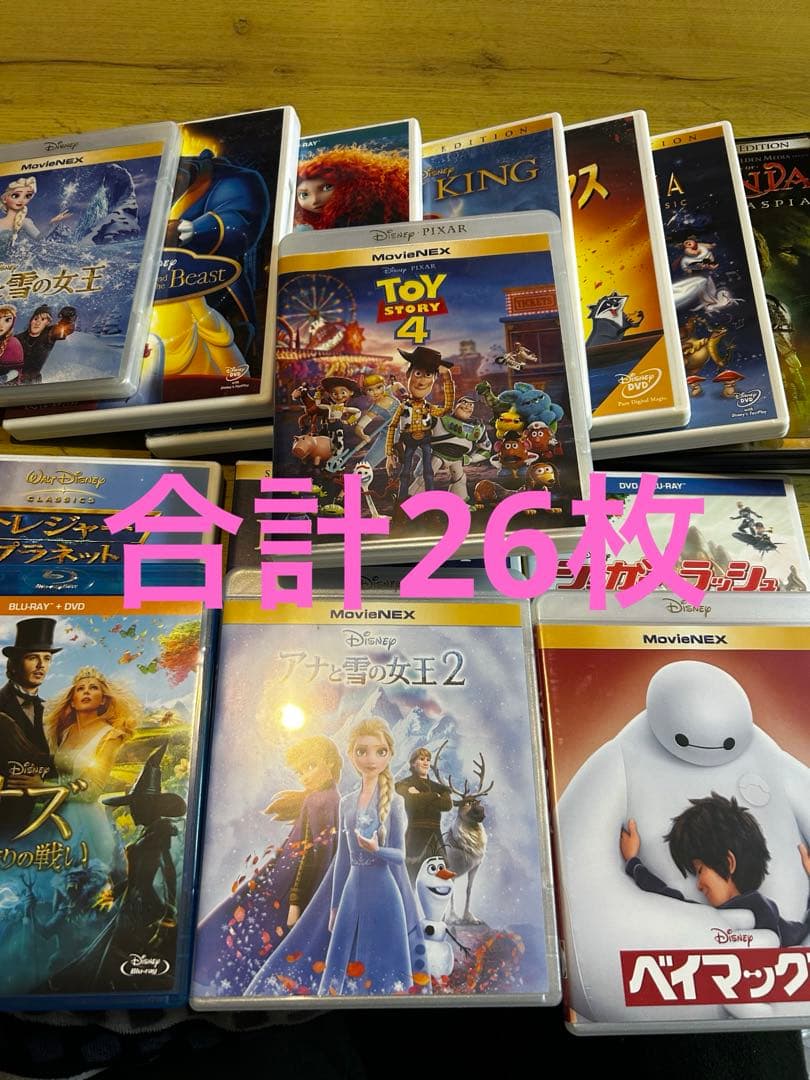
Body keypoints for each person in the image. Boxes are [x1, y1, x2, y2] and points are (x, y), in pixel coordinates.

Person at [245, 718, 429, 998]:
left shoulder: (395, 802)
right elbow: (342, 857)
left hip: (385, 891)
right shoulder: (346, 802)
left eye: (379, 751)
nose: (370, 759)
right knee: (340, 963)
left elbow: (399, 856)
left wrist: (376, 849)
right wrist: (333, 907)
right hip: (351, 891)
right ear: (351, 755)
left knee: (385, 963)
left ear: (389, 754)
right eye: (362, 751)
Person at [194, 734, 341, 995]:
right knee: (262, 934)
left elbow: (314, 855)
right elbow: (312, 853)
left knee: (253, 931)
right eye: (300, 771)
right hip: (290, 881)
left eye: (311, 766)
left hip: (290, 884)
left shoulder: (323, 800)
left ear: (329, 762)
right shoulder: (326, 799)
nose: (305, 776)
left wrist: (296, 899)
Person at [50, 741, 186, 993]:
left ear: (148, 806)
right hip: (133, 906)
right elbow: (137, 878)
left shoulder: (160, 836)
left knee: (122, 959)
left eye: (136, 805)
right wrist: (115, 892)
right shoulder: (149, 835)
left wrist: (169, 915)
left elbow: (166, 871)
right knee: (107, 955)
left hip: (146, 911)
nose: (132, 811)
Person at [621, 792, 810, 946]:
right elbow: (801, 931)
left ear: (728, 863)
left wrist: (633, 862)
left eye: (700, 870)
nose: (698, 886)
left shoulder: (716, 918)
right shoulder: (771, 916)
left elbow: (671, 899)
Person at [44, 666, 140, 868]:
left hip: (87, 820)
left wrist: (42, 788)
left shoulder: (110, 735)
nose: (86, 691)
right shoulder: (65, 732)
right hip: (57, 817)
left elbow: (93, 789)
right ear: (72, 701)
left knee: (88, 877)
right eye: (80, 689)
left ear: (103, 699)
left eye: (93, 687)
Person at [0, 618, 61, 840]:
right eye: (32, 657)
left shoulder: (52, 711)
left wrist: (45, 786)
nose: (41, 665)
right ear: (15, 663)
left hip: (46, 819)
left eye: (47, 658)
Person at [385, 346, 456, 502]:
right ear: (409, 375)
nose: (422, 381)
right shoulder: (403, 407)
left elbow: (446, 409)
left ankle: (429, 499)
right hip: (408, 441)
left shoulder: (428, 407)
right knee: (405, 471)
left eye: (428, 375)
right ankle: (402, 500)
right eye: (418, 373)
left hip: (425, 440)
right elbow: (392, 426)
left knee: (428, 471)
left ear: (433, 380)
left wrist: (447, 378)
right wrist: (389, 454)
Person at [293, 146, 410, 231]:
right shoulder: (330, 219)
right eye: (304, 195)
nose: (315, 200)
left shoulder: (353, 218)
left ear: (347, 184)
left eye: (327, 187)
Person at [395, 747, 452, 884]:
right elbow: (410, 801)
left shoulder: (440, 788)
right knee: (410, 878)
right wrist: (434, 796)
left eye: (428, 759)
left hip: (436, 837)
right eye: (421, 759)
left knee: (440, 880)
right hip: (415, 837)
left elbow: (447, 805)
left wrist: (420, 795)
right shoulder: (404, 785)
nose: (426, 762)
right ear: (413, 763)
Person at [14, 304, 77, 384]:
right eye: (35, 319)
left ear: (48, 322)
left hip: (33, 381)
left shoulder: (49, 334)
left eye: (43, 319)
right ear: (31, 321)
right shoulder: (18, 338)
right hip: (11, 379)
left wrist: (68, 320)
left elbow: (65, 329)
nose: (38, 323)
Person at [0, 304, 23, 378]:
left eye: (7, 320)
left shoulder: (13, 344)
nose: (1, 325)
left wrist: (4, 378)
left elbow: (16, 371)